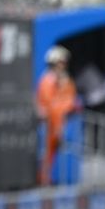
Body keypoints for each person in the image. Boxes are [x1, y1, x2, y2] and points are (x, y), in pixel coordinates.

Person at [35, 45, 80, 186]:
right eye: (60, 62)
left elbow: (72, 98)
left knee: (59, 156)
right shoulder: (47, 80)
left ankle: (56, 180)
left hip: (62, 124)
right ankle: (44, 181)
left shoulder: (65, 80)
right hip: (49, 125)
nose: (63, 65)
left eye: (64, 62)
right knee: (46, 156)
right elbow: (49, 103)